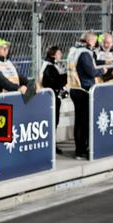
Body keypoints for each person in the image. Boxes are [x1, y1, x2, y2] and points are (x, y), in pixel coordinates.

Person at [67, 31, 104, 160]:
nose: (96, 43)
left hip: (74, 88)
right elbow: (91, 72)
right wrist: (103, 70)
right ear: (89, 41)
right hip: (84, 90)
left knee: (79, 122)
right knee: (84, 122)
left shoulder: (73, 50)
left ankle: (80, 149)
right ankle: (82, 150)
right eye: (94, 41)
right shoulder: (84, 53)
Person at [40, 45, 68, 130]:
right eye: (59, 53)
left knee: (55, 119)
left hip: (54, 96)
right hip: (49, 97)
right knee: (53, 119)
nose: (61, 55)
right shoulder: (49, 66)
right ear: (53, 55)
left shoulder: (53, 65)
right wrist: (67, 77)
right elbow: (54, 82)